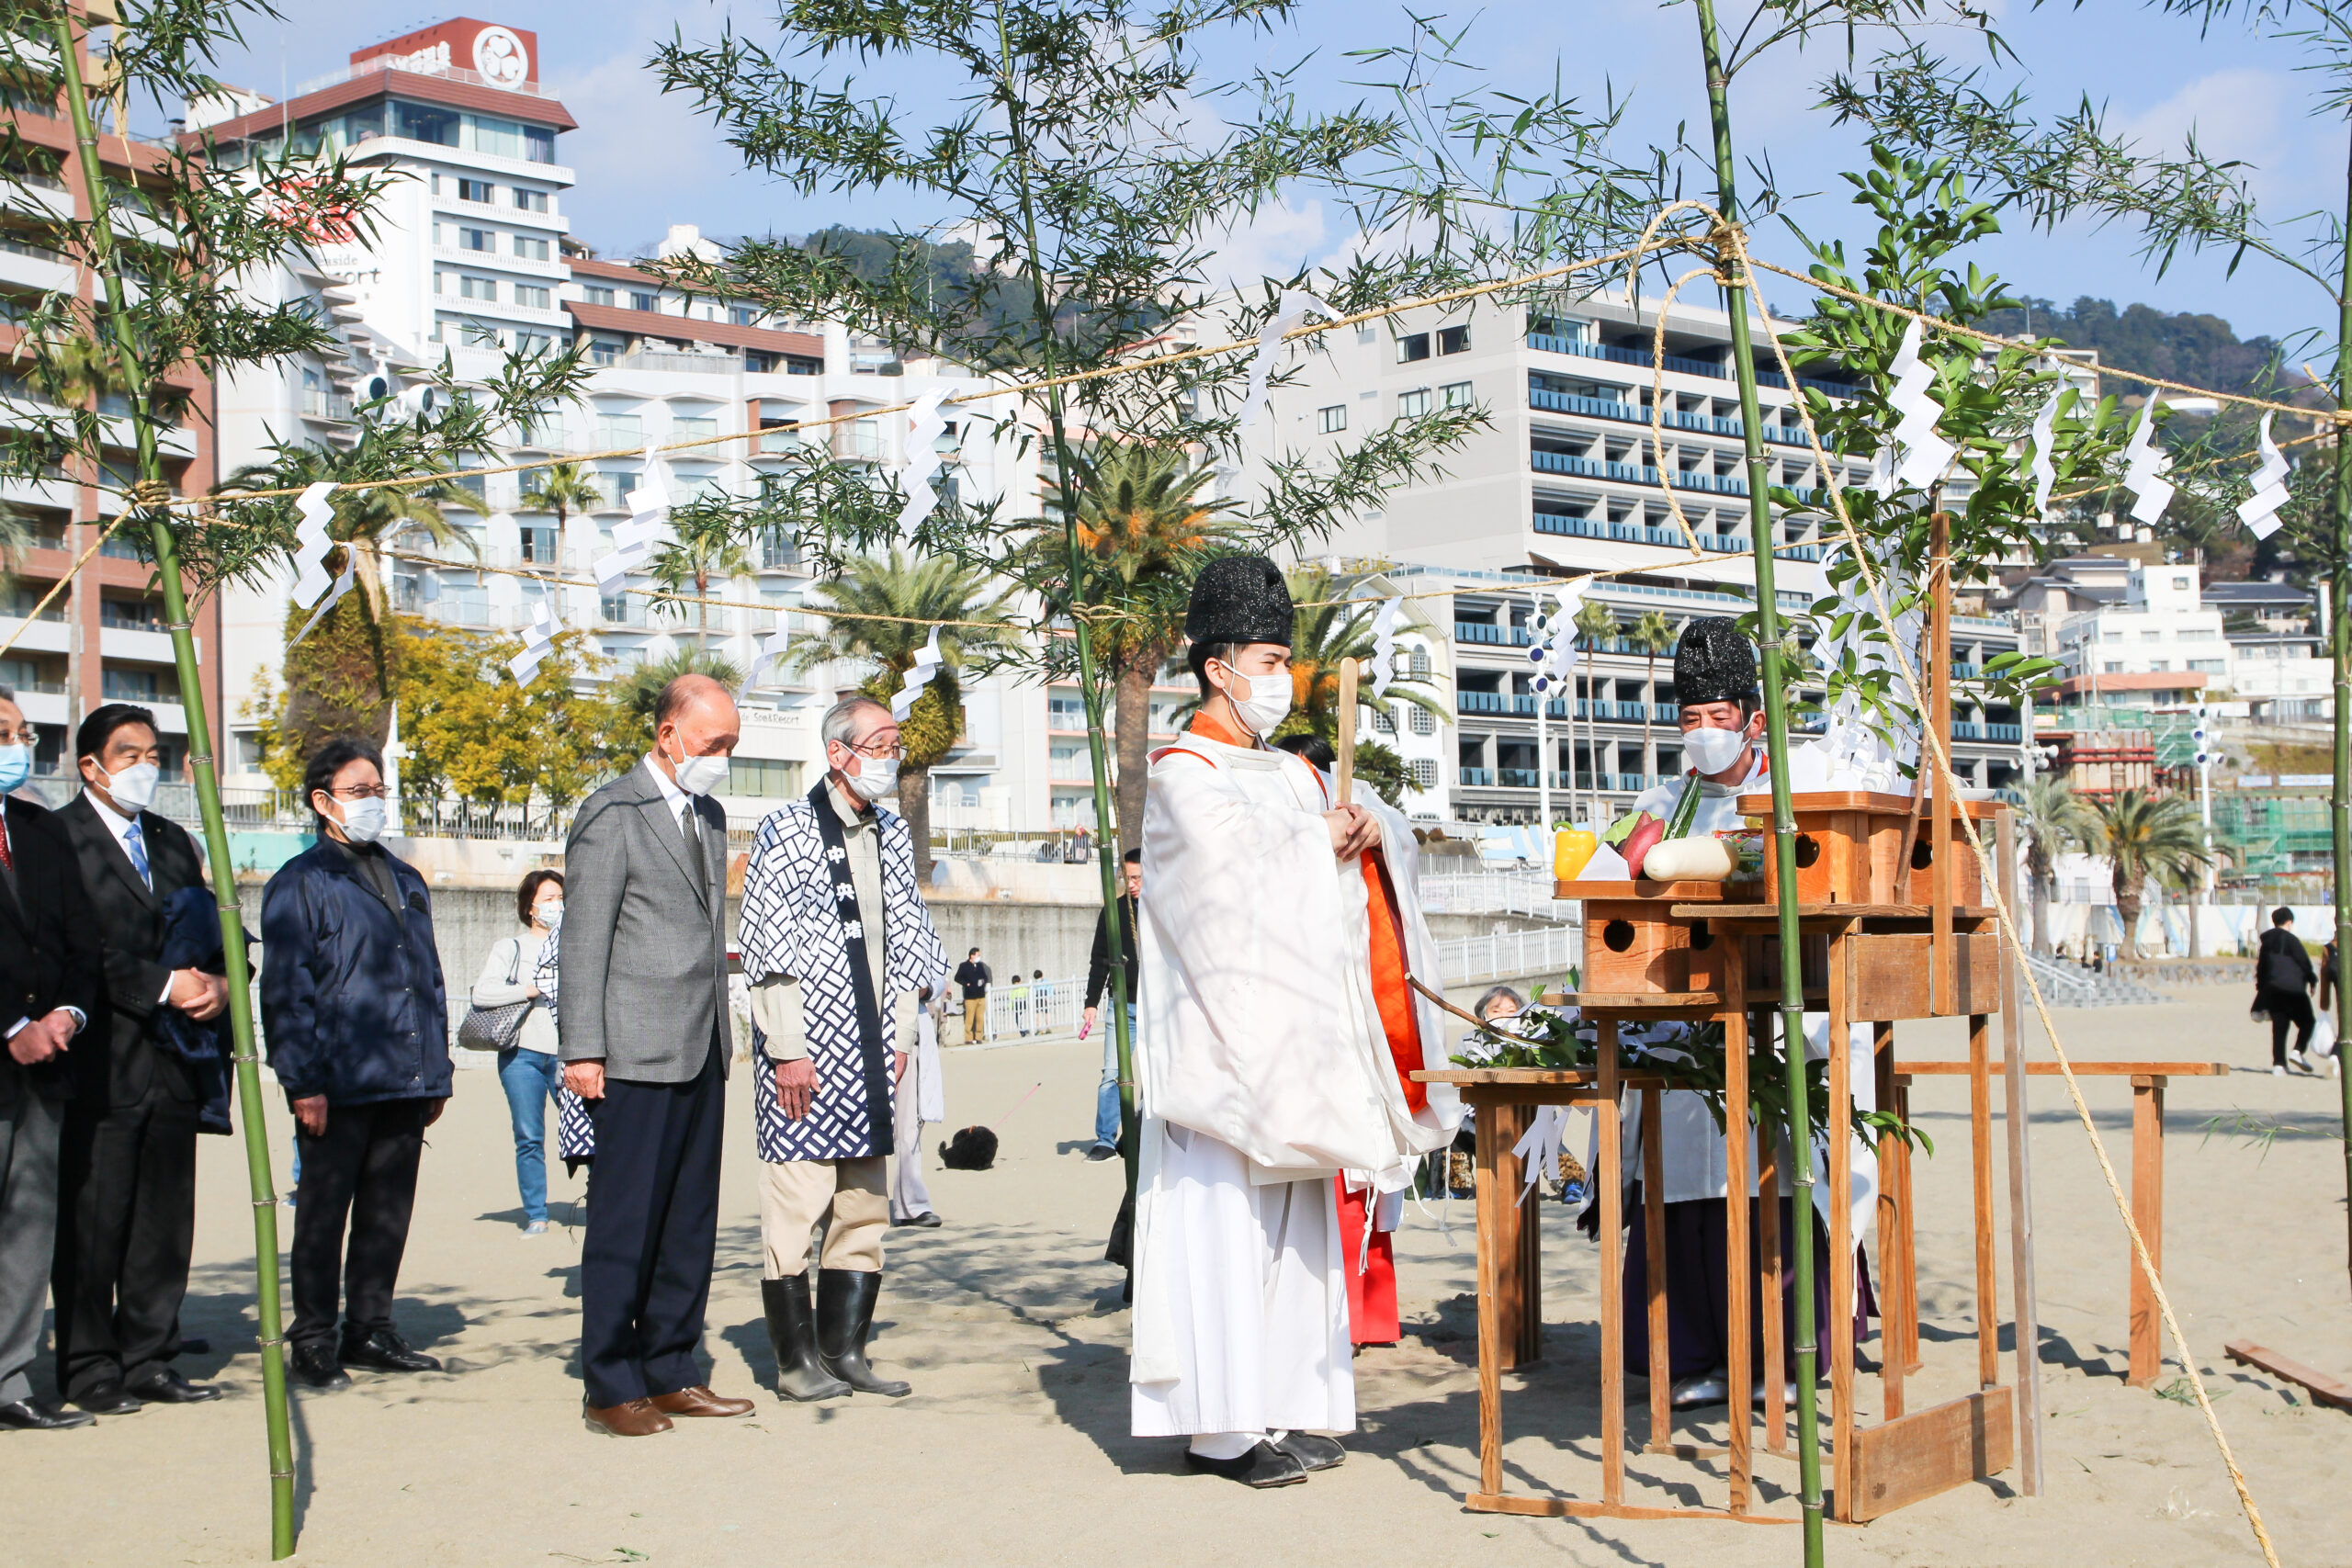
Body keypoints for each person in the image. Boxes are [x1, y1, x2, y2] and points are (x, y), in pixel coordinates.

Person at [1130, 554, 1457, 1487]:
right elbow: (1218, 885)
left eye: (1285, 660)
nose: (1280, 680)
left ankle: (1286, 1405)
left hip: (1298, 1039)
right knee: (1226, 1232)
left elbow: (1354, 840)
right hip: (1223, 1047)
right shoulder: (1182, 775)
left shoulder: (1286, 772)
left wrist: (1364, 831)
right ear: (1217, 669)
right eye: (1267, 661)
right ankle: (1221, 1428)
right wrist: (1320, 842)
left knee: (1299, 1235)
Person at [1600, 617, 1876, 1408]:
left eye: (1717, 718)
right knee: (1686, 1164)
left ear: (1754, 718)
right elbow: (1623, 870)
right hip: (1692, 1013)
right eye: (1689, 720)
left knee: (1783, 1166)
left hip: (1790, 1014)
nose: (1703, 734)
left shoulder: (1804, 782)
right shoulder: (1665, 799)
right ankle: (1691, 1350)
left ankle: (1787, 1353)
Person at [739, 695, 949, 1402]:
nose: (893, 756)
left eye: (896, 744)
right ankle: (795, 1361)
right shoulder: (786, 830)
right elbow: (768, 947)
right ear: (838, 752)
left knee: (863, 1207)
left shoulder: (892, 831)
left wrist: (904, 1037)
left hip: (873, 1051)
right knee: (797, 1205)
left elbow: (911, 945)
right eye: (881, 743)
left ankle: (846, 1349)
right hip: (806, 1051)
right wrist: (787, 1046)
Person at [560, 675, 751, 1437]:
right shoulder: (612, 812)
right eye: (713, 743)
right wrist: (583, 1048)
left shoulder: (709, 813)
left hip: (701, 1044)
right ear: (668, 733)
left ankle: (673, 1365)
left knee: (688, 1219)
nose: (723, 758)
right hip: (632, 1049)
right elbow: (584, 939)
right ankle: (609, 1381)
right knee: (624, 1222)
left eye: (732, 744)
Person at [49, 705, 226, 1414]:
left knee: (163, 1217)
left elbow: (214, 927)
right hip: (101, 1060)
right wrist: (159, 984)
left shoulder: (175, 840)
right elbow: (69, 944)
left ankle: (150, 1351)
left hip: (176, 1062)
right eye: (130, 754)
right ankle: (89, 1363)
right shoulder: (59, 838)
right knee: (96, 1218)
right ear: (90, 764)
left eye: (154, 753)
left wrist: (219, 981)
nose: (145, 766)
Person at [259, 738, 451, 1393]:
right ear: (323, 800)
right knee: (323, 1213)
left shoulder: (405, 877)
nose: (373, 802)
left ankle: (371, 1324)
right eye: (359, 791)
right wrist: (301, 1080)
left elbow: (427, 977)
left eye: (378, 791)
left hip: (405, 1075)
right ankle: (313, 1335)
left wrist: (438, 1069)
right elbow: (287, 989)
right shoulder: (300, 881)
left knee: (386, 1212)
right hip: (338, 1080)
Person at [0, 690, 104, 1431]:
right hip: (8, 1044)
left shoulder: (38, 829)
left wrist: (66, 1011)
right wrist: (10, 1024)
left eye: (20, 731)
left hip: (47, 1061)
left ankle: (10, 1377)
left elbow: (77, 938)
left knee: (28, 1227)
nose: (16, 743)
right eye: (1, 732)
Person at [471, 870, 564, 1233]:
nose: (557, 905)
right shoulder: (511, 947)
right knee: (529, 1135)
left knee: (590, 1130)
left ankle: (602, 1201)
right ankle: (537, 1214)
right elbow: (482, 993)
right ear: (530, 907)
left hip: (568, 1054)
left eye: (560, 897)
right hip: (521, 1054)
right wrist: (528, 989)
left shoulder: (576, 944)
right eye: (549, 899)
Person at [1082, 848, 1142, 1161]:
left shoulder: (1162, 907)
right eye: (1127, 877)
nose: (1132, 884)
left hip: (1157, 1006)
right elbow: (1099, 959)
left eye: (1138, 877)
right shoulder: (1113, 911)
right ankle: (1105, 1137)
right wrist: (1091, 1002)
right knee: (1113, 1072)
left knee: (1158, 1072)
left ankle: (1145, 1131)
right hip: (1122, 1004)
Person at [891, 987, 946, 1228]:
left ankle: (911, 1204)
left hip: (907, 1037)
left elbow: (937, 977)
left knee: (909, 1126)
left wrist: (924, 988)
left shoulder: (917, 947)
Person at [2255, 907, 2317, 1077]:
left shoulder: (2266, 942)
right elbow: (2304, 963)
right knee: (2308, 1022)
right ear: (2289, 922)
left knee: (2279, 1027)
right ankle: (2297, 1051)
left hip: (2273, 989)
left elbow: (2261, 968)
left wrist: (2261, 991)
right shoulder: (2292, 940)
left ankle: (2279, 1065)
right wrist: (2312, 980)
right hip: (2294, 990)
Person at [954, 947, 990, 1044]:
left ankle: (979, 1036)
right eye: (978, 955)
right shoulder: (964, 966)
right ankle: (968, 1038)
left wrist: (983, 981)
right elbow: (957, 978)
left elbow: (985, 977)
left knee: (980, 1018)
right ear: (972, 955)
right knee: (969, 1018)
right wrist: (966, 984)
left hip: (980, 995)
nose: (979, 957)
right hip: (970, 997)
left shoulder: (980, 966)